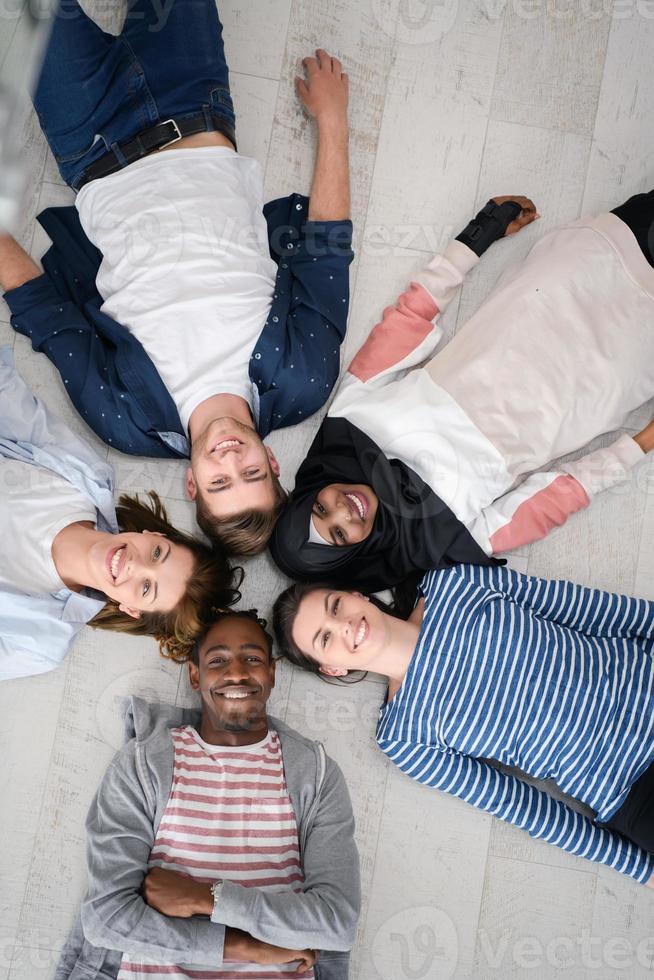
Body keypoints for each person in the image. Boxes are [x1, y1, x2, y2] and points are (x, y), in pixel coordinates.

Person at [0, 0, 353, 557]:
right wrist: (333, 120)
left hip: (90, 142)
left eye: (218, 483)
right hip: (194, 102)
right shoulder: (304, 379)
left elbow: (48, 316)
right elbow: (326, 251)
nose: (231, 460)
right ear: (273, 463)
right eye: (252, 474)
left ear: (192, 484)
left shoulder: (128, 423)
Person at [269, 190, 654, 592]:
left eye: (319, 507)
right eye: (338, 535)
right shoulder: (444, 542)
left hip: (547, 298)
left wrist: (480, 233)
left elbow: (410, 319)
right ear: (351, 557)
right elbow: (553, 499)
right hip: (605, 373)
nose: (342, 511)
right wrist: (640, 443)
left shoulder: (346, 421)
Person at [273, 565, 654, 885]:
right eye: (325, 638)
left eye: (335, 606)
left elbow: (582, 607)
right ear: (333, 668)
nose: (342, 625)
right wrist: (637, 866)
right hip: (631, 792)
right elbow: (519, 805)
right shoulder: (403, 739)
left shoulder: (452, 584)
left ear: (355, 594)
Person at [55, 610, 361, 980]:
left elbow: (336, 922)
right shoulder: (143, 765)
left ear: (272, 673)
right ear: (195, 675)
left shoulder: (316, 774)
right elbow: (107, 919)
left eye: (252, 659)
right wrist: (246, 947)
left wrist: (207, 898)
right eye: (218, 660)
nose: (236, 672)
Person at [0, 348, 240, 681]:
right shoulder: (85, 478)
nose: (135, 565)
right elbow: (10, 402)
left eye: (145, 588)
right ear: (154, 536)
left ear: (131, 609)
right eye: (157, 554)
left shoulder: (41, 641)